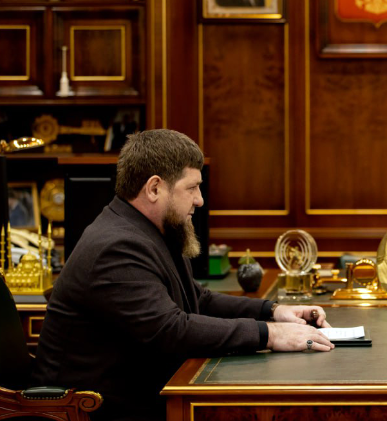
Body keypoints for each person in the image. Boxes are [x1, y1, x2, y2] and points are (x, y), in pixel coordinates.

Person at [32, 129, 333, 421]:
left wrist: (273, 311)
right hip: (96, 410)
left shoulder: (151, 231)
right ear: (154, 188)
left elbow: (197, 300)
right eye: (191, 188)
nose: (199, 199)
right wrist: (270, 335)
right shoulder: (117, 246)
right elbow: (171, 330)